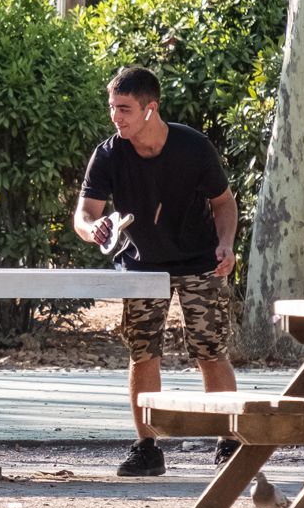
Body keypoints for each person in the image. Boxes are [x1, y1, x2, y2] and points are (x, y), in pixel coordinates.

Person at [72, 65, 242, 477]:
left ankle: (229, 440)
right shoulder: (109, 153)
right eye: (113, 108)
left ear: (151, 109)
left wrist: (226, 244)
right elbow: (84, 214)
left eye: (125, 108)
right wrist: (93, 228)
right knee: (142, 352)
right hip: (141, 266)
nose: (117, 117)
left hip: (200, 262)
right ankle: (147, 447)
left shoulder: (192, 147)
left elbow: (224, 203)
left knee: (209, 350)